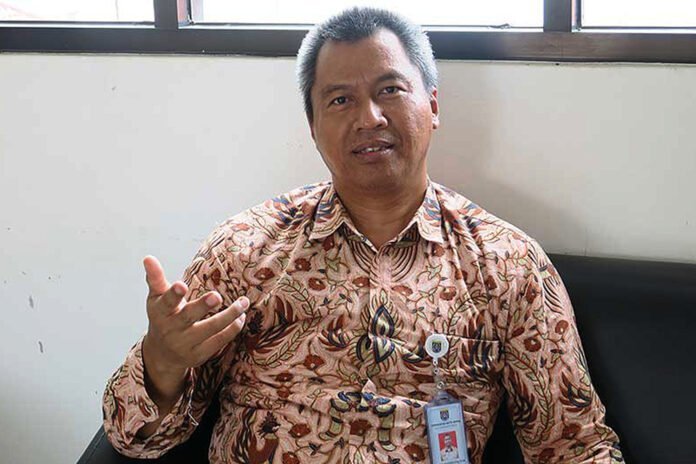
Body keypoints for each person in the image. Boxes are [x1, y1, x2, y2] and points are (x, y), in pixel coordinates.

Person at [103, 7, 623, 464]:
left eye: (389, 90)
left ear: (433, 106)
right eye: (339, 100)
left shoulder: (509, 266)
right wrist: (162, 362)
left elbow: (575, 447)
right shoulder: (243, 251)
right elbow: (134, 439)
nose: (368, 118)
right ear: (313, 127)